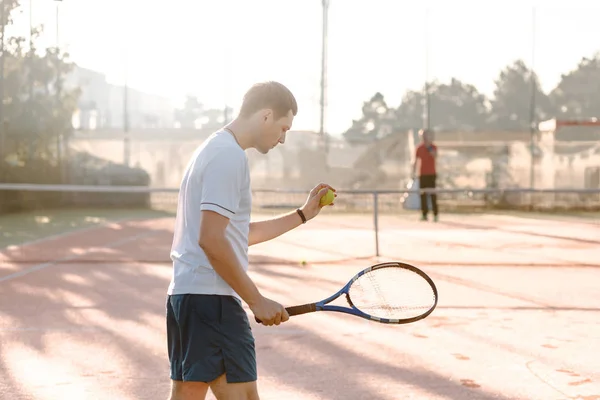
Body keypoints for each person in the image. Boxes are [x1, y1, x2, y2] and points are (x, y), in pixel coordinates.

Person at [166, 81, 336, 400]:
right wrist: (256, 300)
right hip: (212, 302)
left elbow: (235, 236)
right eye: (283, 128)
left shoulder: (212, 149)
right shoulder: (229, 157)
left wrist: (301, 215)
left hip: (187, 298)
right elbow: (212, 241)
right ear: (266, 116)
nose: (283, 139)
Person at [411, 128, 439, 222]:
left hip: (431, 174)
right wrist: (413, 172)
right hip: (422, 174)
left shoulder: (433, 147)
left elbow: (435, 155)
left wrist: (429, 147)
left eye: (425, 135)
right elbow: (415, 161)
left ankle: (435, 214)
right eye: (422, 136)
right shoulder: (419, 148)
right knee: (423, 195)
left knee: (432, 195)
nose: (424, 138)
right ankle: (424, 214)